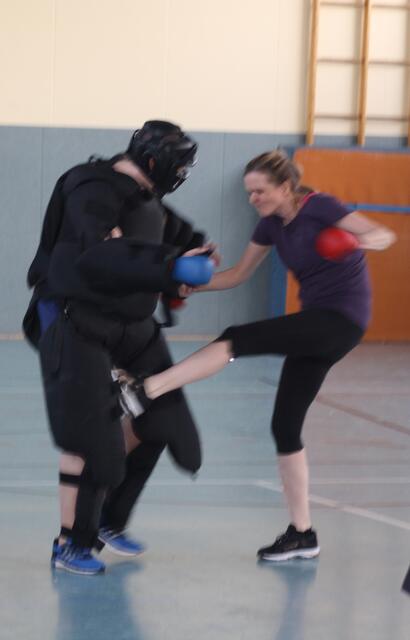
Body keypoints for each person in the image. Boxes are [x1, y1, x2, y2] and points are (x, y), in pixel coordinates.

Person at [123, 149, 396, 562]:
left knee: (235, 337)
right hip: (315, 324)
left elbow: (383, 235)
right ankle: (302, 534)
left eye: (260, 191)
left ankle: (148, 390)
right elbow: (237, 274)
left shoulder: (320, 206)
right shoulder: (270, 225)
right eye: (249, 193)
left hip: (341, 319)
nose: (253, 199)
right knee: (285, 428)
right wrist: (184, 286)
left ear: (285, 187)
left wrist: (355, 241)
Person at [23, 120, 216, 575]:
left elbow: (177, 238)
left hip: (132, 324)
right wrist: (169, 264)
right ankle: (71, 543)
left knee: (165, 424)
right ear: (153, 161)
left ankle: (109, 521)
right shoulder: (90, 188)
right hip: (75, 322)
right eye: (179, 168)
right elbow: (95, 254)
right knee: (93, 440)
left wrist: (196, 257)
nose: (181, 177)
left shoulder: (146, 198)